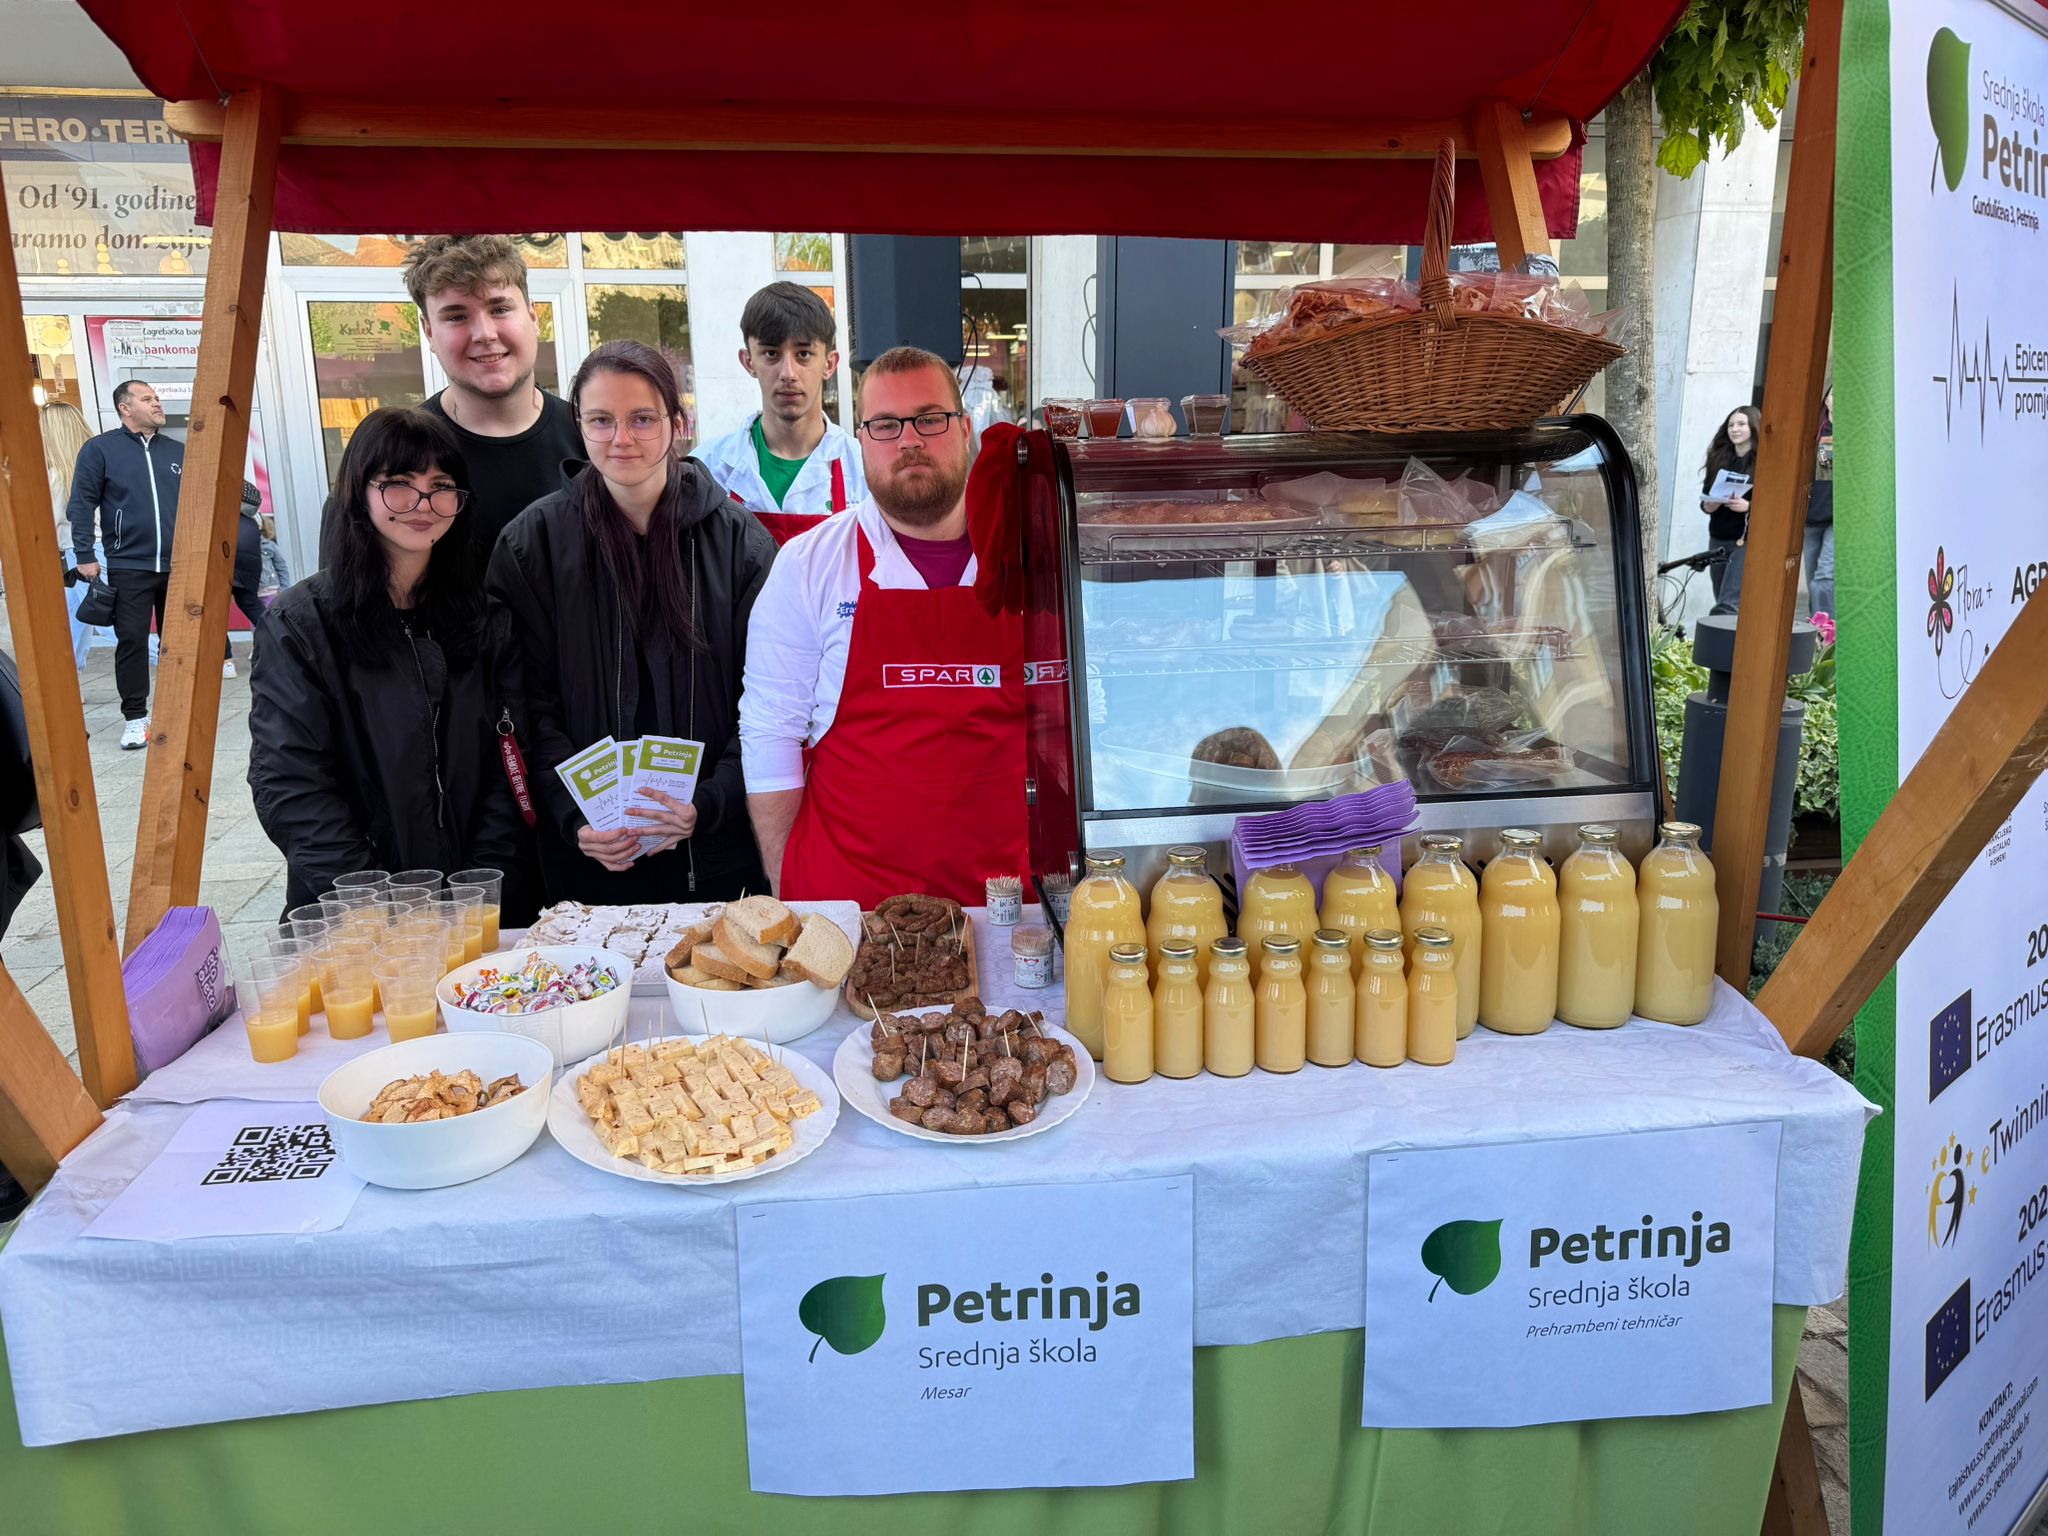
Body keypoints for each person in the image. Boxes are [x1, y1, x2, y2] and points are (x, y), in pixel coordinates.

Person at [742, 345, 1027, 910]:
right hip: (853, 907)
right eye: (886, 425)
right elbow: (770, 734)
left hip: (1012, 909)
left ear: (966, 428)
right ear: (862, 439)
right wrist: (790, 887)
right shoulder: (809, 564)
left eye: (929, 419)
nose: (909, 440)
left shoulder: (1031, 554)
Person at [488, 340, 773, 903]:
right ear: (578, 425)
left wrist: (708, 802)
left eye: (642, 419)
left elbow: (768, 704)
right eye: (601, 420)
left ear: (676, 421)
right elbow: (522, 704)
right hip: (589, 865)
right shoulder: (533, 545)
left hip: (713, 861)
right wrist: (574, 816)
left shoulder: (741, 544)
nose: (622, 439)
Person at [248, 407, 531, 918]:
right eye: (399, 483)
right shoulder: (301, 624)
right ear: (360, 491)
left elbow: (508, 769)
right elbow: (291, 782)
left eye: (441, 484)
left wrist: (476, 890)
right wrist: (376, 903)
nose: (423, 503)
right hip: (356, 919)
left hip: (478, 910)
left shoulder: (485, 620)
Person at [405, 235, 582, 550]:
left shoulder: (595, 441)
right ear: (429, 331)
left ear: (532, 315)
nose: (484, 334)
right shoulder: (392, 455)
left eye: (499, 309)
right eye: (457, 316)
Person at [693, 281, 866, 546]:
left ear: (829, 364)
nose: (788, 373)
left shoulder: (865, 470)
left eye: (804, 354)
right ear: (748, 361)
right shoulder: (707, 470)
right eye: (771, 353)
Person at [66, 380, 183, 748]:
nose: (157, 404)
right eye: (147, 399)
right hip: (129, 564)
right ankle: (136, 717)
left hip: (180, 565)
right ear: (125, 408)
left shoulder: (179, 450)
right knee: (132, 640)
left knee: (178, 643)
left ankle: (180, 713)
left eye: (157, 398)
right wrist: (85, 555)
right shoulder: (100, 450)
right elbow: (81, 504)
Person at [39, 400, 100, 673]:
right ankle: (69, 677)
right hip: (105, 547)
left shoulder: (58, 475)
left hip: (81, 552)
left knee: (111, 624)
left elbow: (48, 524)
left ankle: (182, 660)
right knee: (77, 620)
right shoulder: (98, 467)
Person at [1701, 405, 1760, 616]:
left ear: (1753, 426)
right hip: (1718, 536)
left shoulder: (1764, 462)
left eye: (1741, 424)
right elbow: (1706, 494)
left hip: (1745, 538)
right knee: (1722, 597)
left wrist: (1749, 506)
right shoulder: (1719, 457)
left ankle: (1722, 646)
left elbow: (1774, 502)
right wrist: (1709, 505)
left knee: (1727, 603)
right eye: (1731, 425)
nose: (1735, 429)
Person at [223, 479, 267, 679]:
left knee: (216, 614)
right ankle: (279, 634)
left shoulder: (225, 516)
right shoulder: (251, 522)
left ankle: (226, 661)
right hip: (250, 566)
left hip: (226, 561)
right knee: (252, 605)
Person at [1805, 385, 1835, 620]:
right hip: (1811, 515)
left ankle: (1829, 633)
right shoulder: (1814, 431)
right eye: (1834, 393)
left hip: (1839, 517)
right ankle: (1818, 629)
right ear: (1826, 399)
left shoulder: (1857, 433)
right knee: (1812, 578)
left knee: (1824, 578)